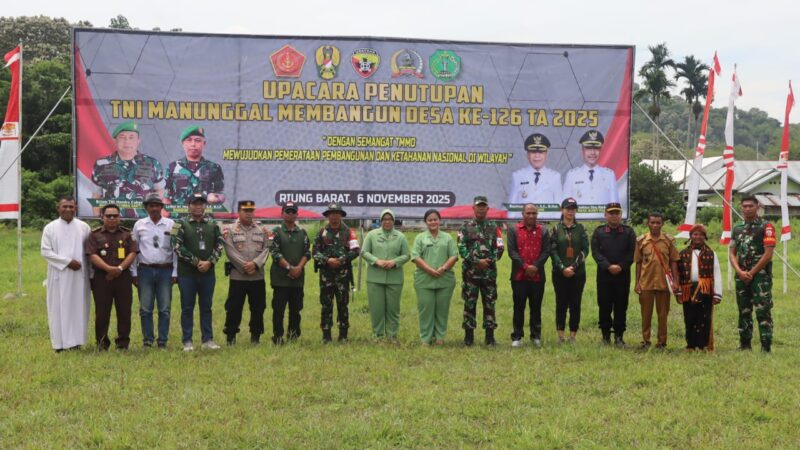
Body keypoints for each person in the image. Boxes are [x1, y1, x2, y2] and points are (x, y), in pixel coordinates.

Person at [172, 193, 224, 351]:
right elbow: (176, 246)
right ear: (189, 206)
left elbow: (219, 245)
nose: (198, 207)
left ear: (205, 206)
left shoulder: (213, 225)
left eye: (201, 204)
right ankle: (187, 341)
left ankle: (208, 340)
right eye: (195, 204)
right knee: (187, 308)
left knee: (206, 307)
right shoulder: (180, 224)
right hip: (187, 274)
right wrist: (196, 262)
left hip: (208, 274)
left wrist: (210, 262)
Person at [40, 196, 92, 352]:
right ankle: (59, 344)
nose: (68, 209)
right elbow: (45, 251)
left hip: (80, 276)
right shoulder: (50, 228)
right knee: (57, 308)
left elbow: (90, 252)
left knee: (79, 307)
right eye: (65, 206)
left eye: (71, 206)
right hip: (58, 275)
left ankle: (76, 343)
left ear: (76, 208)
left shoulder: (84, 227)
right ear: (58, 208)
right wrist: (67, 262)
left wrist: (91, 275)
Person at [85, 203, 139, 351]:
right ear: (102, 217)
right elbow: (92, 255)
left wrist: (119, 268)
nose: (112, 218)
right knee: (102, 313)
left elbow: (132, 253)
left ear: (119, 217)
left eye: (115, 215)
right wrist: (108, 269)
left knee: (124, 312)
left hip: (123, 277)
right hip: (102, 278)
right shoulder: (94, 235)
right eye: (108, 216)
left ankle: (123, 343)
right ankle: (102, 343)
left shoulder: (127, 234)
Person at [221, 200, 272, 345]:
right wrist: (245, 266)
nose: (249, 214)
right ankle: (231, 336)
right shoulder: (230, 230)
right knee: (233, 307)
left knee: (258, 307)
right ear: (239, 211)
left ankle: (256, 336)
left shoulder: (262, 230)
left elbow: (267, 248)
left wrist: (255, 264)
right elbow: (230, 250)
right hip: (238, 276)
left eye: (251, 210)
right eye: (245, 211)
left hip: (257, 276)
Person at [730, 196, 776, 352]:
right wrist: (739, 271)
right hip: (741, 275)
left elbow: (768, 254)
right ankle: (745, 345)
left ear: (757, 206)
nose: (747, 208)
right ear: (741, 208)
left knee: (763, 311)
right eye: (744, 206)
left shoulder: (766, 227)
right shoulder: (737, 228)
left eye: (750, 206)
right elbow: (732, 253)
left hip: (760, 277)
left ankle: (766, 346)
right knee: (744, 310)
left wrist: (751, 272)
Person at [131, 193, 177, 349]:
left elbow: (176, 249)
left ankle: (162, 341)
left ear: (162, 207)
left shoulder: (171, 224)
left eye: (157, 205)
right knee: (145, 309)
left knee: (164, 309)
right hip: (145, 270)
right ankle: (148, 340)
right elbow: (134, 250)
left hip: (166, 271)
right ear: (146, 208)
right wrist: (133, 273)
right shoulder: (139, 225)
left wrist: (175, 272)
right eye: (151, 205)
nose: (155, 208)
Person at [91, 121, 165, 217]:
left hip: (143, 221)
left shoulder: (152, 164)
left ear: (138, 141)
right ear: (115, 141)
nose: (127, 141)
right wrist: (97, 218)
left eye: (131, 137)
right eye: (122, 137)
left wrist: (152, 207)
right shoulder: (101, 164)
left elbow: (160, 190)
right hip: (112, 221)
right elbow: (96, 195)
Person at [458, 195, 504, 346]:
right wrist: (476, 261)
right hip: (470, 273)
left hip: (488, 273)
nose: (481, 209)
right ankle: (469, 336)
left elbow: (500, 248)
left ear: (487, 209)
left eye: (483, 206)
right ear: (473, 208)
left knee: (489, 303)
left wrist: (487, 261)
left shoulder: (494, 227)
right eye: (478, 206)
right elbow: (461, 247)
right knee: (469, 303)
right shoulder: (465, 227)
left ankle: (489, 337)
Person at [312, 202, 360, 343]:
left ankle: (343, 335)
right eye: (331, 213)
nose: (334, 216)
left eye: (337, 213)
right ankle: (326, 335)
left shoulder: (349, 232)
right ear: (328, 216)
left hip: (342, 275)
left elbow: (356, 250)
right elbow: (315, 252)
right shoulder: (321, 232)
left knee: (342, 305)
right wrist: (327, 260)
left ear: (341, 215)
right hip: (326, 275)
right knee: (326, 304)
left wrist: (341, 260)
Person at [591, 202, 636, 347]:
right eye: (611, 213)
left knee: (621, 306)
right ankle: (605, 337)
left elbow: (632, 253)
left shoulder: (629, 232)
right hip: (604, 276)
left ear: (621, 215)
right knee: (604, 306)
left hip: (622, 276)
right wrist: (608, 266)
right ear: (605, 215)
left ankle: (619, 337)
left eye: (617, 213)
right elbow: (596, 253)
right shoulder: (599, 232)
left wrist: (621, 266)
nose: (614, 216)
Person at [361, 209, 411, 341]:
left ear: (394, 221)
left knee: (393, 309)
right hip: (374, 278)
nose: (387, 222)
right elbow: (364, 252)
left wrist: (394, 262)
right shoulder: (372, 235)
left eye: (390, 219)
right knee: (376, 309)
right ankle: (378, 335)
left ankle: (392, 335)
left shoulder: (400, 237)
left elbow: (407, 255)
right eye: (384, 219)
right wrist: (376, 261)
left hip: (395, 279)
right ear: (380, 221)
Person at [411, 209, 458, 345]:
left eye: (435, 219)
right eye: (430, 220)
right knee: (426, 309)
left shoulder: (447, 238)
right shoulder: (420, 238)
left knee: (442, 310)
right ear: (425, 222)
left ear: (439, 221)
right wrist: (429, 270)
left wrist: (443, 268)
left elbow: (454, 256)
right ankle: (426, 338)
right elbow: (415, 257)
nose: (433, 222)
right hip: (424, 280)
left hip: (445, 280)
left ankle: (439, 337)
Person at [634, 212, 680, 350]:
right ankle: (646, 341)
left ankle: (662, 342)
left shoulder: (668, 240)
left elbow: (674, 261)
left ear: (662, 224)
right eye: (652, 222)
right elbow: (638, 263)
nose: (655, 225)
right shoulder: (641, 241)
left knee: (663, 315)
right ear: (648, 224)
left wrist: (675, 281)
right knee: (645, 314)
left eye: (658, 222)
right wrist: (637, 282)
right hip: (646, 283)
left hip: (663, 284)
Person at [507, 203, 550, 347]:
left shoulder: (543, 230)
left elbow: (546, 251)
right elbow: (512, 252)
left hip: (538, 276)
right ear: (522, 214)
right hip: (519, 276)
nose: (531, 216)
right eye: (528, 213)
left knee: (536, 307)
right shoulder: (514, 230)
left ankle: (535, 336)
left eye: (534, 213)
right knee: (518, 307)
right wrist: (526, 267)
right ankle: (517, 336)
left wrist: (536, 266)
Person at [269, 201, 311, 343]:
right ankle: (278, 336)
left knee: (296, 309)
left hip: (297, 279)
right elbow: (274, 252)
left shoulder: (302, 233)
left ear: (297, 214)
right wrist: (289, 268)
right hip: (281, 279)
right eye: (288, 211)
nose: (291, 214)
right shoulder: (275, 232)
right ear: (282, 214)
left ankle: (293, 335)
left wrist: (298, 268)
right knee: (278, 309)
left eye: (293, 212)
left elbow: (307, 253)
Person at [550, 198, 589, 344]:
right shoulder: (555, 229)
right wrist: (562, 268)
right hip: (559, 273)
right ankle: (560, 336)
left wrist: (573, 266)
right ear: (562, 210)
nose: (570, 212)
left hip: (577, 273)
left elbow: (585, 249)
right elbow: (552, 250)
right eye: (568, 209)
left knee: (575, 304)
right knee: (561, 303)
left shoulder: (581, 228)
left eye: (573, 209)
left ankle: (573, 336)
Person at [676, 224, 722, 351]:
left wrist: (718, 293)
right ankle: (690, 344)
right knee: (689, 316)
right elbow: (678, 274)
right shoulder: (683, 254)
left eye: (701, 234)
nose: (698, 237)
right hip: (687, 288)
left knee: (704, 317)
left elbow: (717, 273)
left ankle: (703, 345)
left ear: (704, 237)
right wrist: (678, 292)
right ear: (690, 236)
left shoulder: (711, 253)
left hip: (705, 288)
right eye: (695, 234)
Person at [164, 125, 225, 205]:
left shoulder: (214, 168)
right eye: (189, 140)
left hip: (205, 212)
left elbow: (220, 194)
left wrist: (216, 198)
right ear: (183, 144)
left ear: (204, 144)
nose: (193, 144)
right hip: (179, 213)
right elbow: (166, 198)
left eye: (197, 140)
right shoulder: (172, 167)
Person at [508, 133, 562, 219]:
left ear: (546, 154)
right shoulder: (518, 176)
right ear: (528, 154)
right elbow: (512, 208)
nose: (537, 156)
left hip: (546, 223)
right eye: (533, 152)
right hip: (523, 224)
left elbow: (559, 207)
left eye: (541, 152)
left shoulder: (555, 177)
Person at [562, 129, 619, 208]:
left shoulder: (609, 175)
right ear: (582, 150)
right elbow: (565, 207)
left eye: (596, 148)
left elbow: (614, 206)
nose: (592, 152)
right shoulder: (572, 175)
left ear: (600, 150)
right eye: (588, 148)